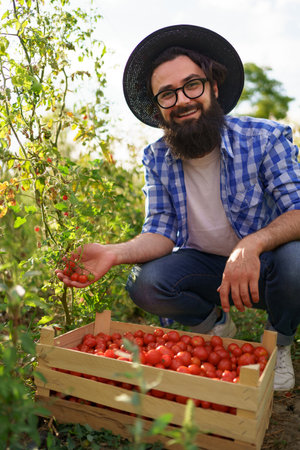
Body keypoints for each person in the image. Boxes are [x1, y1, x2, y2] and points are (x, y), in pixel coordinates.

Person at [56, 25, 300, 391]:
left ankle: (278, 344)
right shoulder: (158, 158)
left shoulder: (263, 138)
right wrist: (112, 252)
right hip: (206, 273)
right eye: (167, 94)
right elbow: (160, 233)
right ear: (158, 109)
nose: (182, 100)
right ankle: (216, 327)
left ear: (213, 87)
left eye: (192, 85)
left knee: (296, 257)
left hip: (265, 271)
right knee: (144, 282)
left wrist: (251, 244)